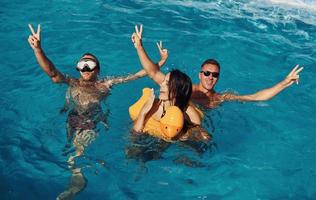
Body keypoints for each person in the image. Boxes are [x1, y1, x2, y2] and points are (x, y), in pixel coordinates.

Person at [27, 24, 168, 200]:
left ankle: (77, 178)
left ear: (97, 70)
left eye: (90, 64)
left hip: (91, 120)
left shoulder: (105, 84)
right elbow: (53, 73)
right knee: (71, 148)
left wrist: (159, 62)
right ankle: (77, 171)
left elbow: (137, 75)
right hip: (72, 118)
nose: (85, 68)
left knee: (76, 153)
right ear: (78, 68)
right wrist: (38, 49)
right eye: (82, 64)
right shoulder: (72, 82)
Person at [126, 25, 210, 164]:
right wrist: (139, 47)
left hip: (175, 138)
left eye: (167, 83)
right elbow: (152, 72)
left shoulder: (189, 113)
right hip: (152, 136)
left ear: (177, 90)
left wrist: (192, 134)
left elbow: (204, 138)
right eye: (163, 82)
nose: (162, 85)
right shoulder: (154, 104)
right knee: (133, 155)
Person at [191, 58, 304, 108]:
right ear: (199, 75)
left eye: (215, 75)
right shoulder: (187, 89)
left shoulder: (219, 98)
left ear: (218, 78)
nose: (210, 77)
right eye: (207, 73)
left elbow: (255, 97)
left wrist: (284, 82)